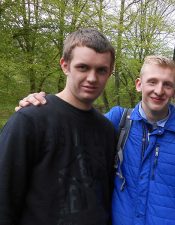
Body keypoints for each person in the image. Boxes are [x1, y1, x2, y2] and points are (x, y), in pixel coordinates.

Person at [17, 55, 175, 225]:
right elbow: (75, 125)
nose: (158, 90)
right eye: (152, 82)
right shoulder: (118, 120)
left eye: (167, 84)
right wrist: (43, 107)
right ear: (139, 84)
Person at [0, 28, 117, 225]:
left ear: (109, 72)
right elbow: (4, 198)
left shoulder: (107, 130)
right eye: (83, 67)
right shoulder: (30, 120)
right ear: (65, 65)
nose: (92, 78)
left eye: (101, 70)